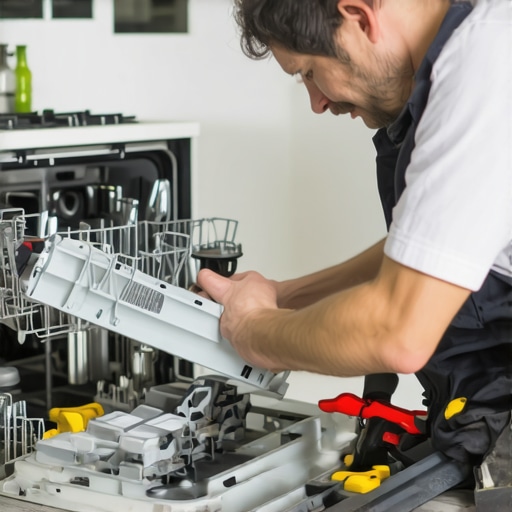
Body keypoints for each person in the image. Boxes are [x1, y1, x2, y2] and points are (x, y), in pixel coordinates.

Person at [197, 0, 512, 469]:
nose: (317, 102)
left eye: (307, 71)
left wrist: (253, 331)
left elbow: (397, 333)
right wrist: (286, 296)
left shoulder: (485, 67)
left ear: (360, 17)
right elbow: (436, 244)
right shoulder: (479, 49)